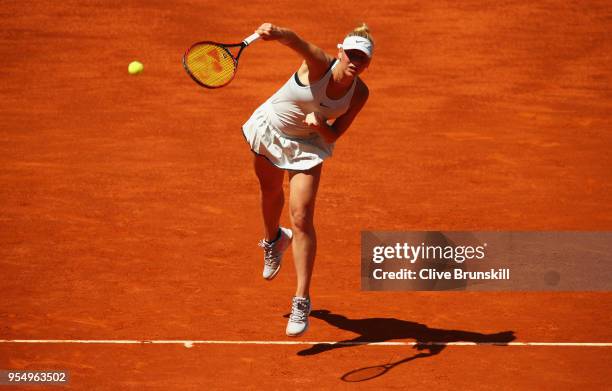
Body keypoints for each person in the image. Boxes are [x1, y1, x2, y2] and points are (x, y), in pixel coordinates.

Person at [242, 22, 373, 337]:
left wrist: (319, 127)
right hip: (270, 131)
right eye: (351, 54)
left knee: (301, 217)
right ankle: (275, 240)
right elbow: (296, 41)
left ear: (369, 62)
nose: (355, 61)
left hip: (308, 146)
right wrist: (276, 32)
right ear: (340, 51)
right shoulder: (318, 64)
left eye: (363, 58)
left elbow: (335, 135)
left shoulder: (360, 93)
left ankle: (301, 299)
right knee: (271, 192)